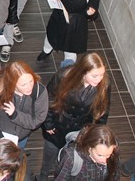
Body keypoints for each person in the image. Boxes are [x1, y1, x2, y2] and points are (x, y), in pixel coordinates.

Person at [38, 52, 111, 180]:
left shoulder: (104, 84)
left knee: (71, 156)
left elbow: (103, 110)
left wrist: (95, 133)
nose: (99, 79)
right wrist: (48, 123)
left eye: (101, 74)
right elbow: (48, 99)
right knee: (50, 153)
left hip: (81, 130)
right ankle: (43, 175)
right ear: (83, 72)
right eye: (95, 75)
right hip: (58, 125)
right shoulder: (64, 76)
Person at [0, 61, 48, 149]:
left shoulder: (39, 91)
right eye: (23, 85)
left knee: (17, 153)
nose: (29, 87)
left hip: (22, 136)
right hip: (0, 132)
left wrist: (15, 115)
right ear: (12, 83)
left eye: (31, 81)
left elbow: (37, 120)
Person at [55, 124, 121, 180]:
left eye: (108, 155)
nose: (104, 161)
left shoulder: (113, 149)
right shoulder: (71, 157)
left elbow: (115, 173)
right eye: (99, 155)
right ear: (89, 147)